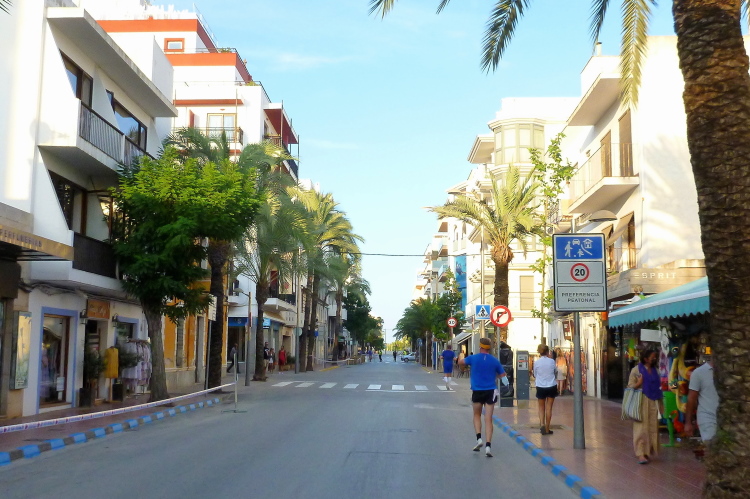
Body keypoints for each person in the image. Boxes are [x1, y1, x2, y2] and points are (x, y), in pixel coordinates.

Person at [459, 337, 509, 457]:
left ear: (480, 346)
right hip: (490, 391)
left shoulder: (473, 358)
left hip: (477, 390)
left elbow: (461, 362)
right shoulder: (494, 360)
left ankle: (479, 439)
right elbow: (503, 375)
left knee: (476, 415)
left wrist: (462, 363)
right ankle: (488, 446)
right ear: (489, 348)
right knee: (488, 418)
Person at [628, 349, 664, 464]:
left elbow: (659, 388)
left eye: (655, 357)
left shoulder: (655, 371)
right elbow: (630, 387)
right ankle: (640, 453)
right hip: (641, 401)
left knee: (653, 427)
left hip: (654, 401)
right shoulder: (636, 370)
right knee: (641, 428)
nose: (655, 359)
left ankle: (647, 451)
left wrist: (661, 405)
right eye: (653, 357)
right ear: (646, 358)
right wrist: (639, 383)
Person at [684, 359, 717, 442]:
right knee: (710, 444)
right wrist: (688, 422)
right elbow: (691, 398)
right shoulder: (699, 373)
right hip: (707, 418)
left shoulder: (730, 373)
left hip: (727, 418)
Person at [534, 345, 558, 435]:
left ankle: (542, 424)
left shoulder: (537, 362)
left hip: (540, 386)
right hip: (551, 385)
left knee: (541, 407)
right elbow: (555, 371)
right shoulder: (552, 361)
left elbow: (535, 374)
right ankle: (547, 428)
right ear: (548, 352)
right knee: (549, 407)